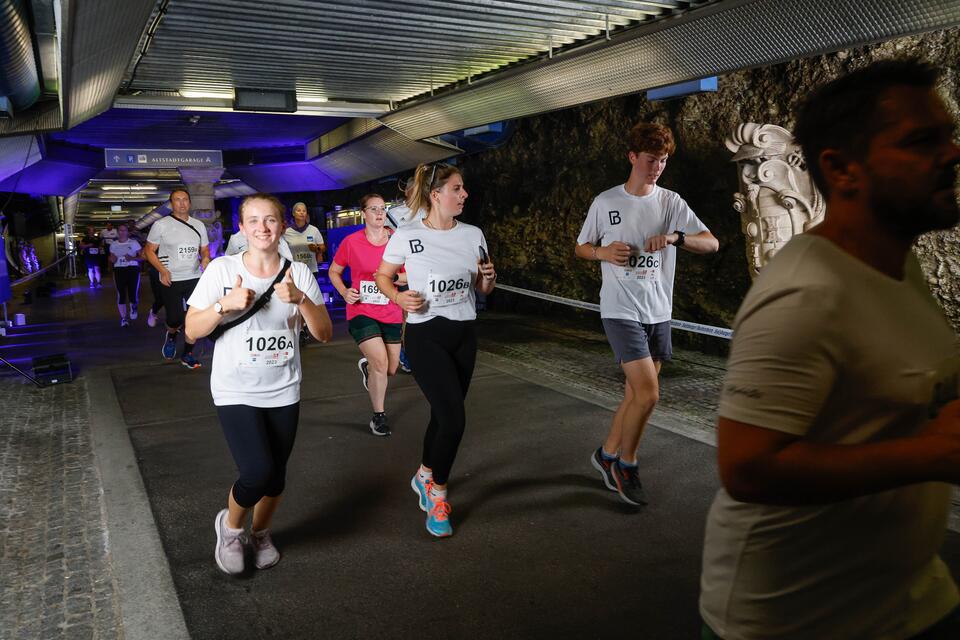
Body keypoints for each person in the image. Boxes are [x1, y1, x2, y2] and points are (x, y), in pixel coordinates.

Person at [699, 59, 960, 640]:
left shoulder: (897, 262)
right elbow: (748, 468)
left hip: (912, 596)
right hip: (799, 616)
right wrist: (935, 455)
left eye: (948, 135)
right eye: (922, 142)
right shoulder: (804, 294)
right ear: (841, 170)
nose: (951, 154)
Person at [184, 193, 332, 576]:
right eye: (254, 220)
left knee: (276, 476)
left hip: (283, 386)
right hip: (235, 387)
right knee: (256, 471)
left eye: (270, 220)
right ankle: (231, 529)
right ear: (242, 227)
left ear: (282, 225)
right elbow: (190, 330)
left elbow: (325, 333)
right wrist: (223, 305)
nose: (263, 228)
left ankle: (261, 533)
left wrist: (301, 301)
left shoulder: (298, 273)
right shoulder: (221, 269)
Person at [575, 122, 718, 506]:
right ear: (633, 157)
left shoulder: (671, 203)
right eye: (651, 159)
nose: (657, 167)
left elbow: (712, 243)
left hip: (658, 311)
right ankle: (627, 463)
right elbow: (582, 247)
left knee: (633, 395)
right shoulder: (606, 202)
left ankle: (605, 455)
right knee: (649, 394)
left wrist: (676, 238)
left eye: (664, 160)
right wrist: (603, 252)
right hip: (620, 309)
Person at [376, 162, 496, 538]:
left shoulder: (473, 234)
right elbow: (382, 276)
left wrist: (487, 281)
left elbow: (483, 288)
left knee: (445, 415)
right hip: (426, 336)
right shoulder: (407, 235)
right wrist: (398, 295)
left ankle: (424, 473)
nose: (464, 195)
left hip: (464, 335)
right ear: (436, 195)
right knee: (454, 418)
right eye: (457, 189)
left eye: (463, 189)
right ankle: (438, 494)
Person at [329, 193, 405, 436]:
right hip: (361, 309)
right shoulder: (351, 242)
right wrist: (344, 292)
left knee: (390, 368)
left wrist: (391, 278)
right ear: (363, 213)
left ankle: (368, 368)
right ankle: (378, 417)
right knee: (380, 363)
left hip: (391, 307)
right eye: (374, 209)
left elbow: (410, 274)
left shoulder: (397, 240)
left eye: (383, 208)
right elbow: (334, 271)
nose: (380, 213)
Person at [144, 188, 210, 369]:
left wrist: (205, 258)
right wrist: (162, 270)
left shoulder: (198, 225)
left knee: (194, 318)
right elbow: (148, 251)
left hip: (194, 277)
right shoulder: (161, 225)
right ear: (171, 204)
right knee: (175, 318)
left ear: (189, 202)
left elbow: (204, 249)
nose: (182, 203)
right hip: (170, 278)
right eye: (177, 200)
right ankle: (172, 334)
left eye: (185, 199)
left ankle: (187, 354)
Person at [108, 223, 143, 327]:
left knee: (133, 293)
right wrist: (112, 260)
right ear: (117, 232)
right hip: (119, 269)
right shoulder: (113, 244)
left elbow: (143, 257)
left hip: (132, 269)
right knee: (121, 294)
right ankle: (123, 318)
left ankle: (133, 308)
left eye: (124, 230)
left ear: (128, 232)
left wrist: (132, 258)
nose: (122, 232)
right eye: (120, 230)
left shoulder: (134, 243)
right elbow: (112, 259)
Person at [283, 202, 325, 271]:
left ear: (306, 214)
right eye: (298, 210)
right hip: (294, 271)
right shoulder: (286, 232)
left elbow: (322, 247)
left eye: (304, 211)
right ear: (293, 213)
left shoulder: (314, 230)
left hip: (311, 270)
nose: (302, 213)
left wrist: (317, 249)